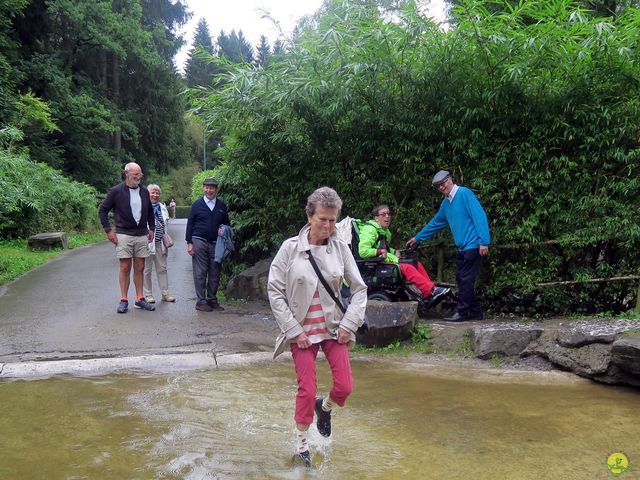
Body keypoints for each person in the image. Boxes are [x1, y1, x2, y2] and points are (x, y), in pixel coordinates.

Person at [268, 187, 367, 468]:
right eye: (323, 219)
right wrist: (293, 330)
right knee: (306, 389)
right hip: (300, 332)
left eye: (333, 220)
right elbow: (274, 290)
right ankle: (301, 443)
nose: (328, 226)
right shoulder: (290, 248)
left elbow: (359, 290)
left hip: (335, 328)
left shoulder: (341, 248)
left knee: (345, 386)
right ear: (309, 216)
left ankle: (325, 410)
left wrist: (350, 323)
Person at [406, 170, 490, 321]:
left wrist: (484, 241)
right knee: (461, 279)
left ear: (450, 180)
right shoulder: (446, 203)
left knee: (465, 279)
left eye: (443, 183)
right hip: (462, 247)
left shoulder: (464, 193)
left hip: (473, 244)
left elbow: (479, 215)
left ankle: (463, 312)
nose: (441, 187)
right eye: (438, 186)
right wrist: (418, 238)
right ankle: (475, 312)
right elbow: (436, 223)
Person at [358, 204, 450, 305]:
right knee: (407, 268)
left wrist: (393, 251)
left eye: (388, 214)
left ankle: (429, 293)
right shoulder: (370, 229)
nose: (387, 216)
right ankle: (431, 290)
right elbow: (363, 251)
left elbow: (383, 247)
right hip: (376, 264)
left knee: (415, 263)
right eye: (383, 214)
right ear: (376, 218)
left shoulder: (384, 231)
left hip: (385, 260)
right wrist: (378, 252)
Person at [98, 162, 156, 313]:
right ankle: (124, 300)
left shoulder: (144, 192)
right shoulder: (116, 191)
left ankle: (140, 298)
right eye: (135, 174)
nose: (138, 177)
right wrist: (108, 230)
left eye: (140, 174)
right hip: (123, 234)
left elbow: (150, 211)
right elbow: (103, 210)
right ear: (127, 174)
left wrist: (152, 228)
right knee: (124, 267)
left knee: (140, 267)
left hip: (142, 234)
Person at [185, 178, 230, 312]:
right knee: (200, 271)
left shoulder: (222, 205)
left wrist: (225, 233)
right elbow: (190, 224)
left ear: (216, 190)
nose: (209, 190)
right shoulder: (197, 204)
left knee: (215, 271)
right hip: (199, 240)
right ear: (203, 188)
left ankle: (212, 299)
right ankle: (201, 301)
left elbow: (227, 224)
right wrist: (189, 243)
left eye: (212, 188)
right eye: (207, 187)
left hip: (217, 243)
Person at [143, 184, 176, 304]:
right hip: (146, 243)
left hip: (159, 243)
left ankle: (165, 294)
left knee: (162, 269)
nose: (155, 195)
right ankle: (148, 295)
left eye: (157, 193)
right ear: (148, 193)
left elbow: (165, 225)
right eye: (153, 192)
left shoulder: (162, 207)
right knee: (146, 270)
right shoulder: (142, 206)